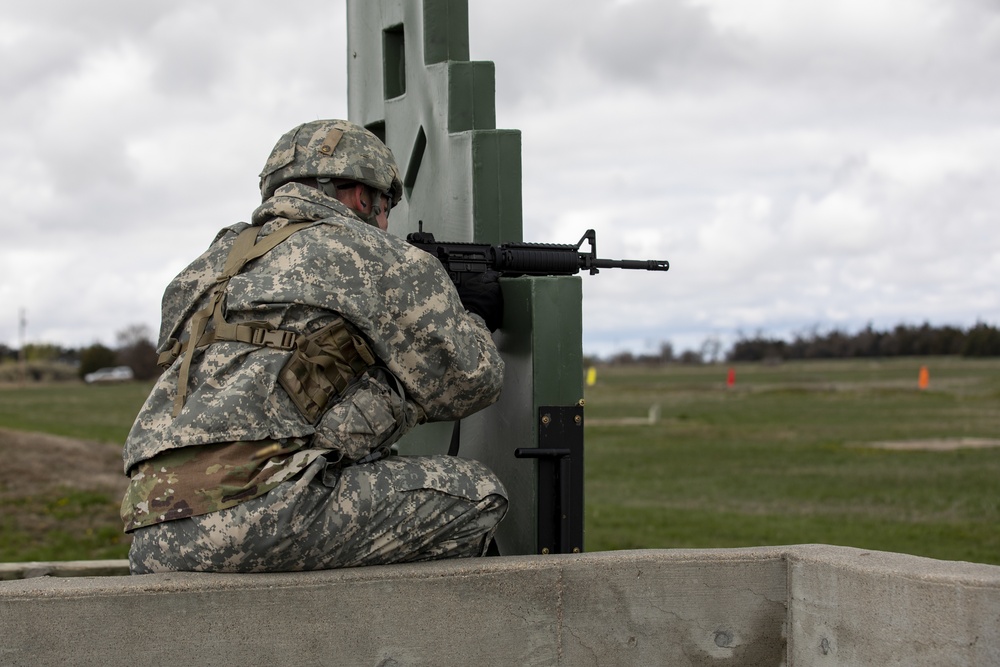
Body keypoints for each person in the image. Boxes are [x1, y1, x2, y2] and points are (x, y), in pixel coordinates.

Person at [121, 119, 508, 573]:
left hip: (153, 528)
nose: (385, 223)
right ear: (364, 197)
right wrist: (477, 317)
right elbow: (471, 382)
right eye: (386, 208)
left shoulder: (204, 267)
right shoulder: (375, 255)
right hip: (253, 523)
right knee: (479, 495)